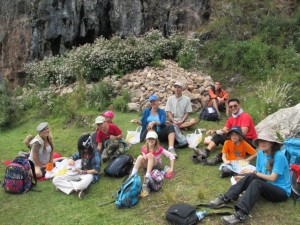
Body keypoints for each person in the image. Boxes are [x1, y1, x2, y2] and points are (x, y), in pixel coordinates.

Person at [209, 132, 291, 224]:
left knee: (256, 182)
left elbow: (272, 178)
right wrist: (243, 177)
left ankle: (241, 214)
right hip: (267, 185)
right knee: (251, 176)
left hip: (281, 191)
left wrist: (253, 172)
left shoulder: (279, 156)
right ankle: (226, 197)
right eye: (260, 141)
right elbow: (257, 173)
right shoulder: (260, 153)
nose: (262, 143)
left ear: (271, 143)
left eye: (265, 141)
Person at [195, 98, 257, 165]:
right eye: (230, 107)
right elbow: (224, 130)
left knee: (231, 142)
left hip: (248, 141)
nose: (233, 108)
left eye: (235, 106)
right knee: (218, 136)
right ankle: (206, 151)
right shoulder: (231, 118)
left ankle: (217, 158)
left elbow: (243, 133)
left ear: (239, 105)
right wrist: (216, 131)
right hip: (237, 138)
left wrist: (228, 134)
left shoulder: (245, 116)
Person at [53, 134, 101, 199]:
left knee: (82, 185)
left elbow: (96, 170)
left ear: (88, 146)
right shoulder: (82, 151)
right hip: (78, 173)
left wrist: (82, 171)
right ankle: (77, 190)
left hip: (89, 174)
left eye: (84, 149)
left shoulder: (95, 152)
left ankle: (65, 186)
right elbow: (73, 156)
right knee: (56, 179)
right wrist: (71, 159)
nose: (83, 151)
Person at [130, 131, 175, 197]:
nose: (151, 140)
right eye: (149, 139)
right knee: (140, 157)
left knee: (150, 155)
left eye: (153, 138)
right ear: (146, 140)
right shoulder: (144, 148)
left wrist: (171, 168)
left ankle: (147, 177)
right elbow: (144, 159)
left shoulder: (159, 149)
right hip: (147, 166)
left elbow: (172, 156)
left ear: (156, 140)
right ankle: (132, 176)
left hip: (156, 165)